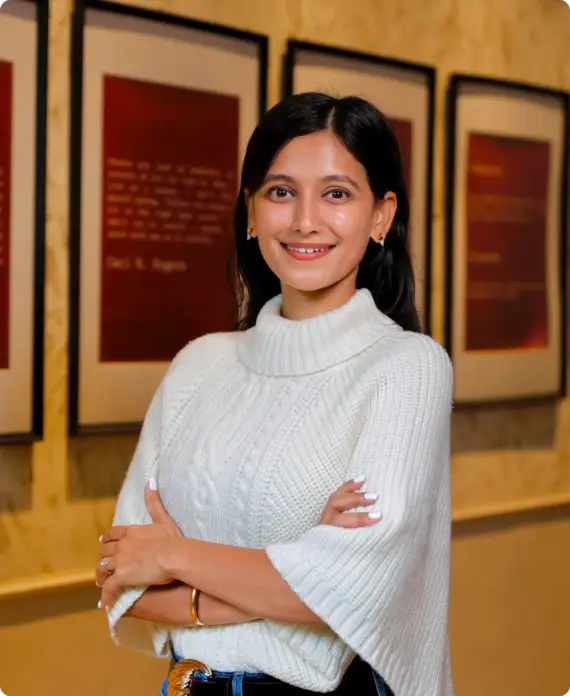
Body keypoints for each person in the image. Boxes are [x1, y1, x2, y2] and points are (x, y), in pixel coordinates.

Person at [96, 92, 454, 696]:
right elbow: (120, 581)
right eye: (281, 192)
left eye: (337, 194)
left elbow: (352, 593)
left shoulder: (408, 368)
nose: (305, 220)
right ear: (251, 213)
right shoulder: (199, 365)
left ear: (381, 216)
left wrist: (175, 557)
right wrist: (295, 569)